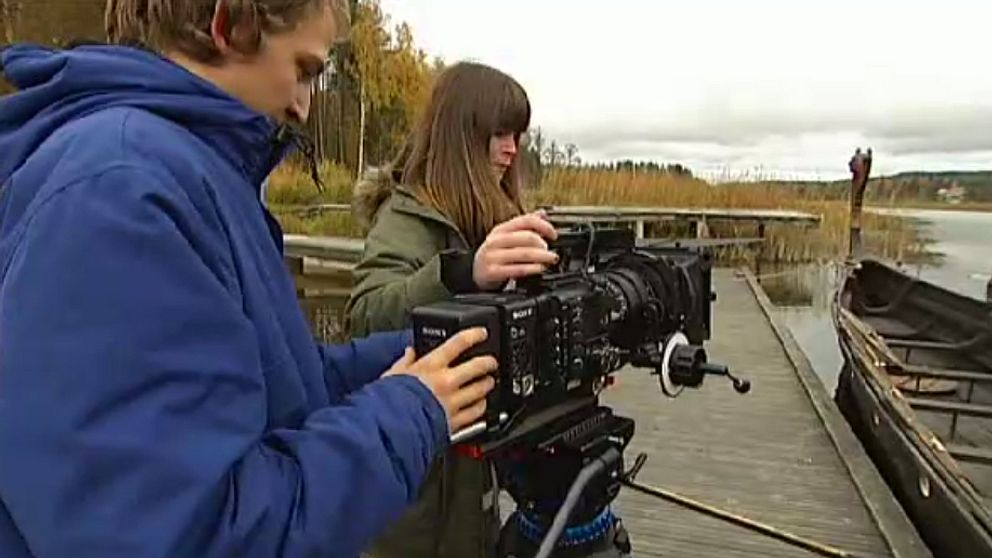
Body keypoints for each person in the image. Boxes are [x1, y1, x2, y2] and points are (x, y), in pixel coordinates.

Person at [0, 2, 496, 557]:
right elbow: (189, 536)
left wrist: (433, 351)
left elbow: (277, 383)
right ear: (230, 25)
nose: (303, 108)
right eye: (305, 70)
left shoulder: (183, 172)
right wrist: (409, 414)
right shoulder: (122, 190)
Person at [345, 62, 559, 558]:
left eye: (518, 135)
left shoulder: (494, 217)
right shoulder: (405, 217)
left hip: (476, 474)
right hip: (417, 489)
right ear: (462, 137)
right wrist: (462, 273)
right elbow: (365, 317)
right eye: (499, 133)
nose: (511, 149)